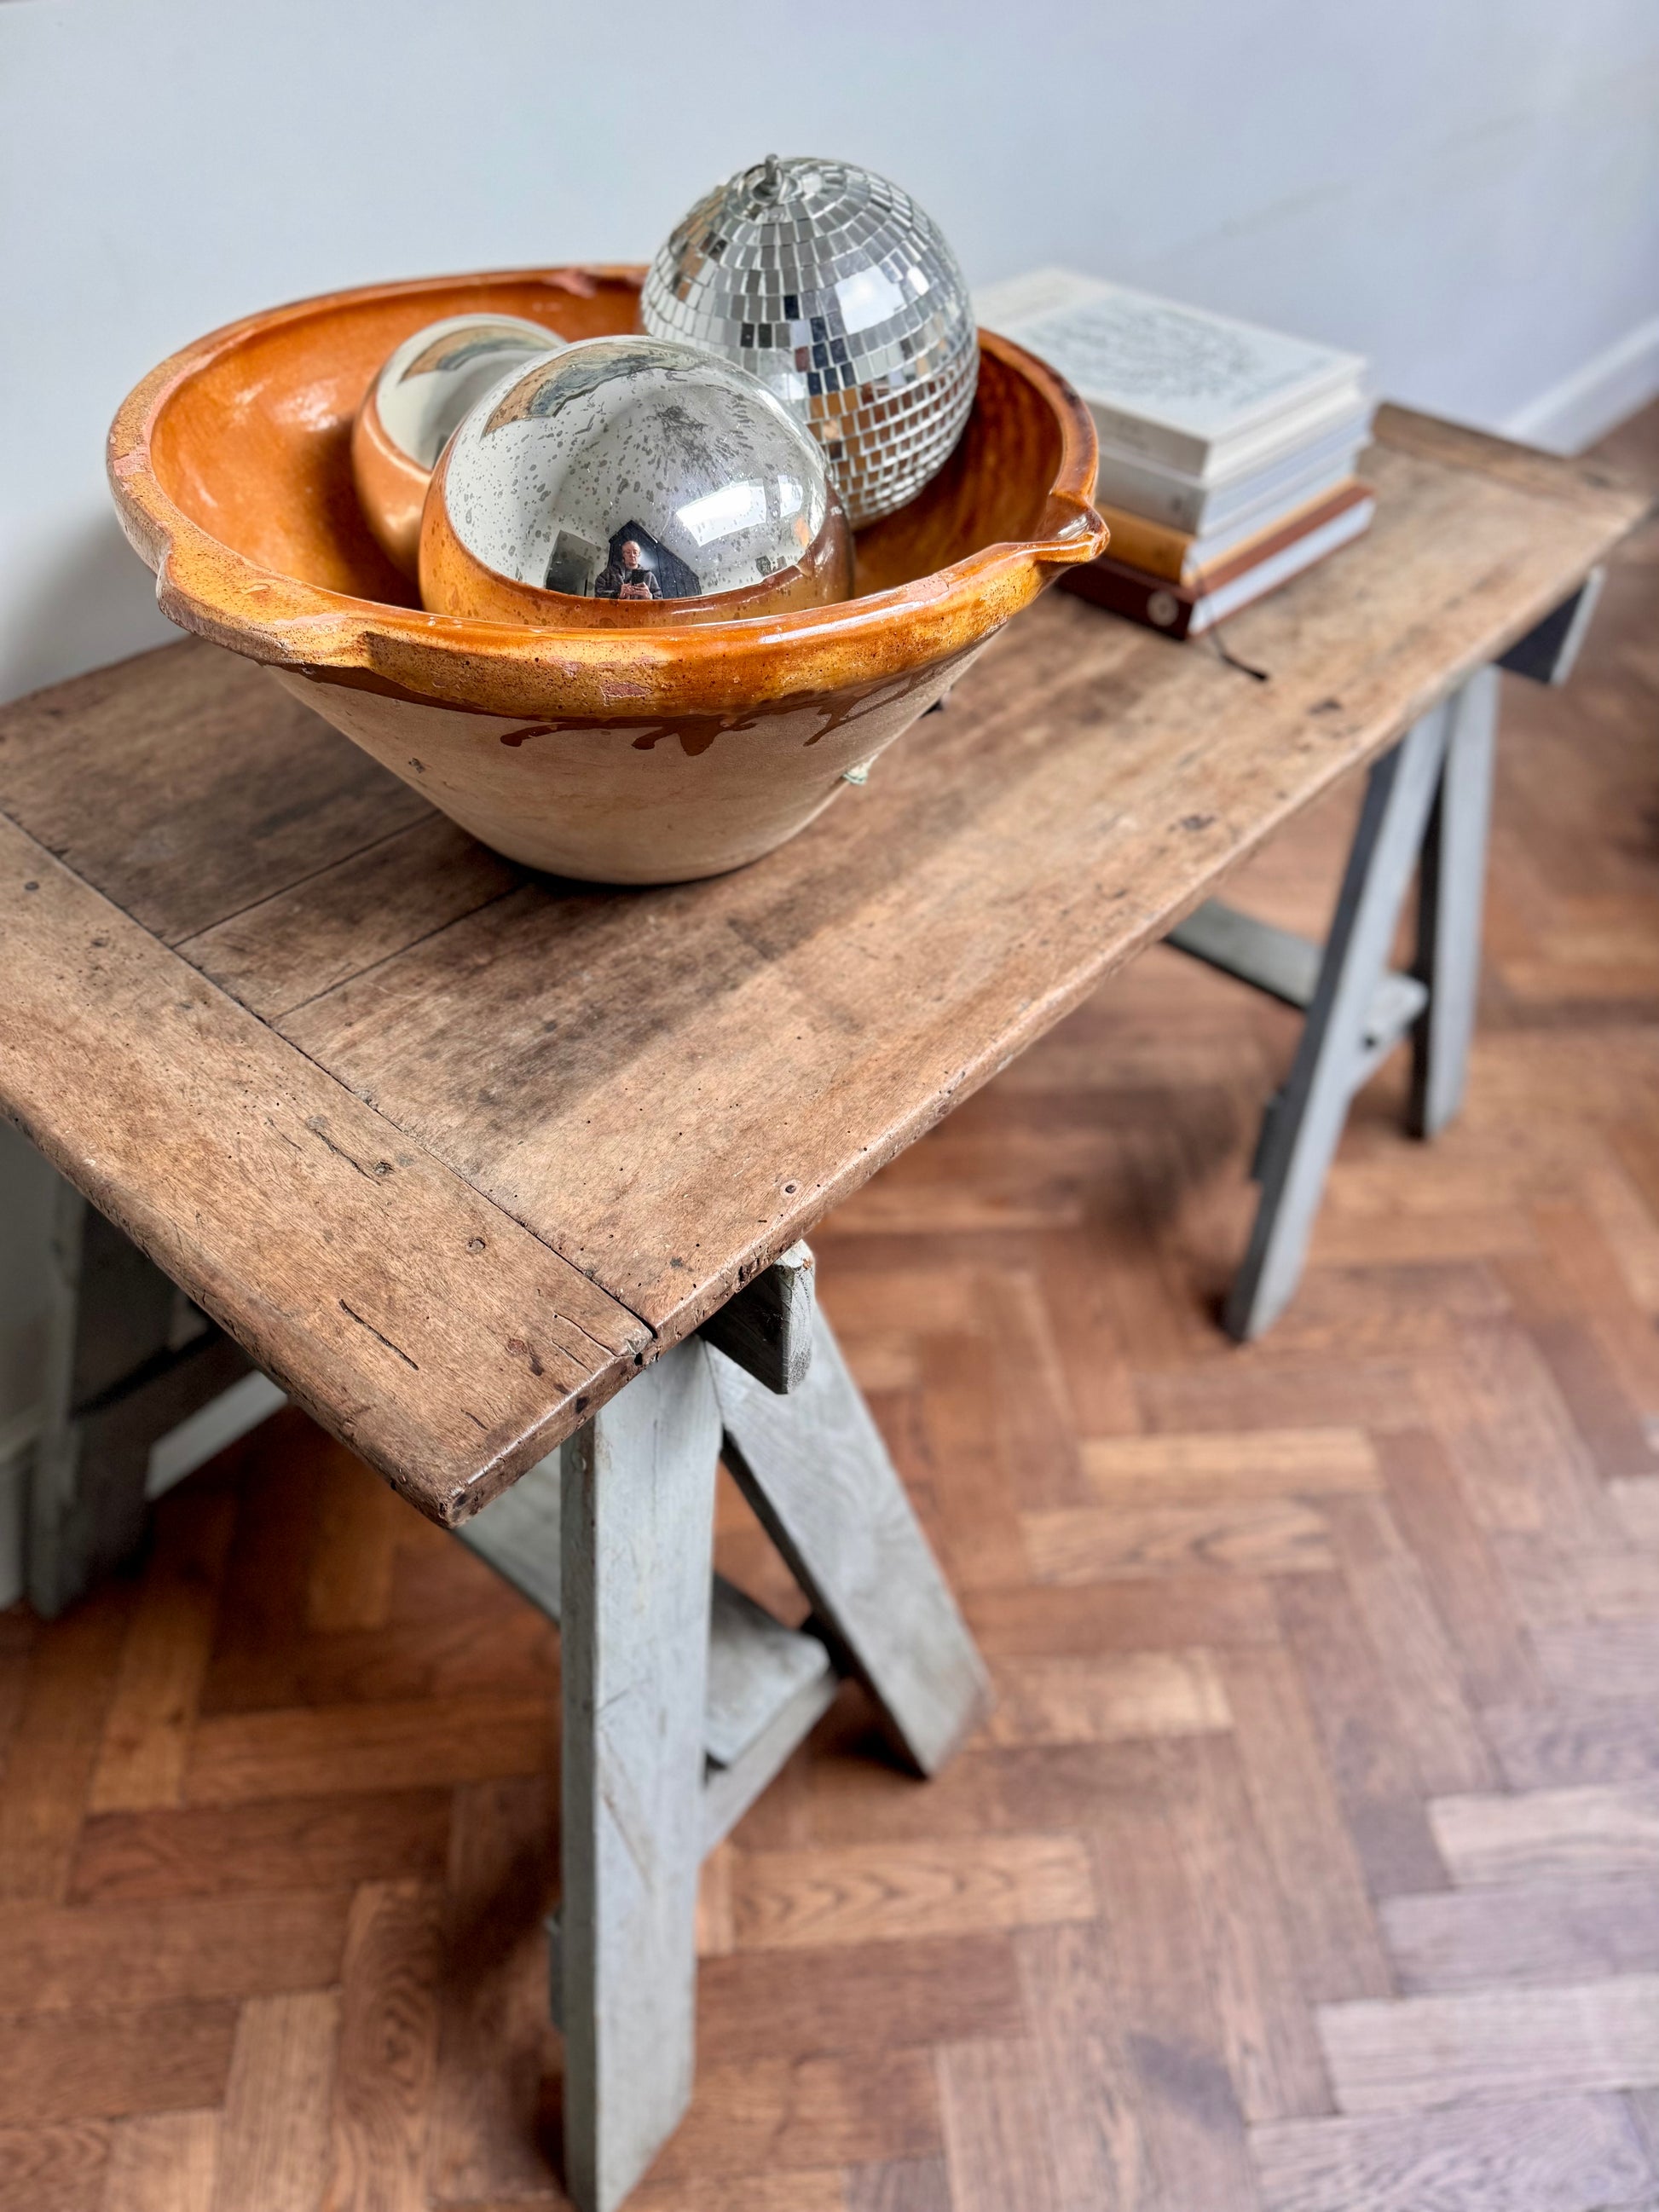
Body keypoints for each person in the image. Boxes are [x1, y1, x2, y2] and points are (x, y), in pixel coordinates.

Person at [595, 539, 662, 600]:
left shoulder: (649, 576)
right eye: (628, 552)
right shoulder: (610, 572)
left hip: (640, 613)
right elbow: (598, 592)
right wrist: (617, 594)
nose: (632, 555)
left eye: (635, 552)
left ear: (639, 555)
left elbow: (661, 602)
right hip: (616, 612)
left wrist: (649, 596)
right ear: (623, 555)